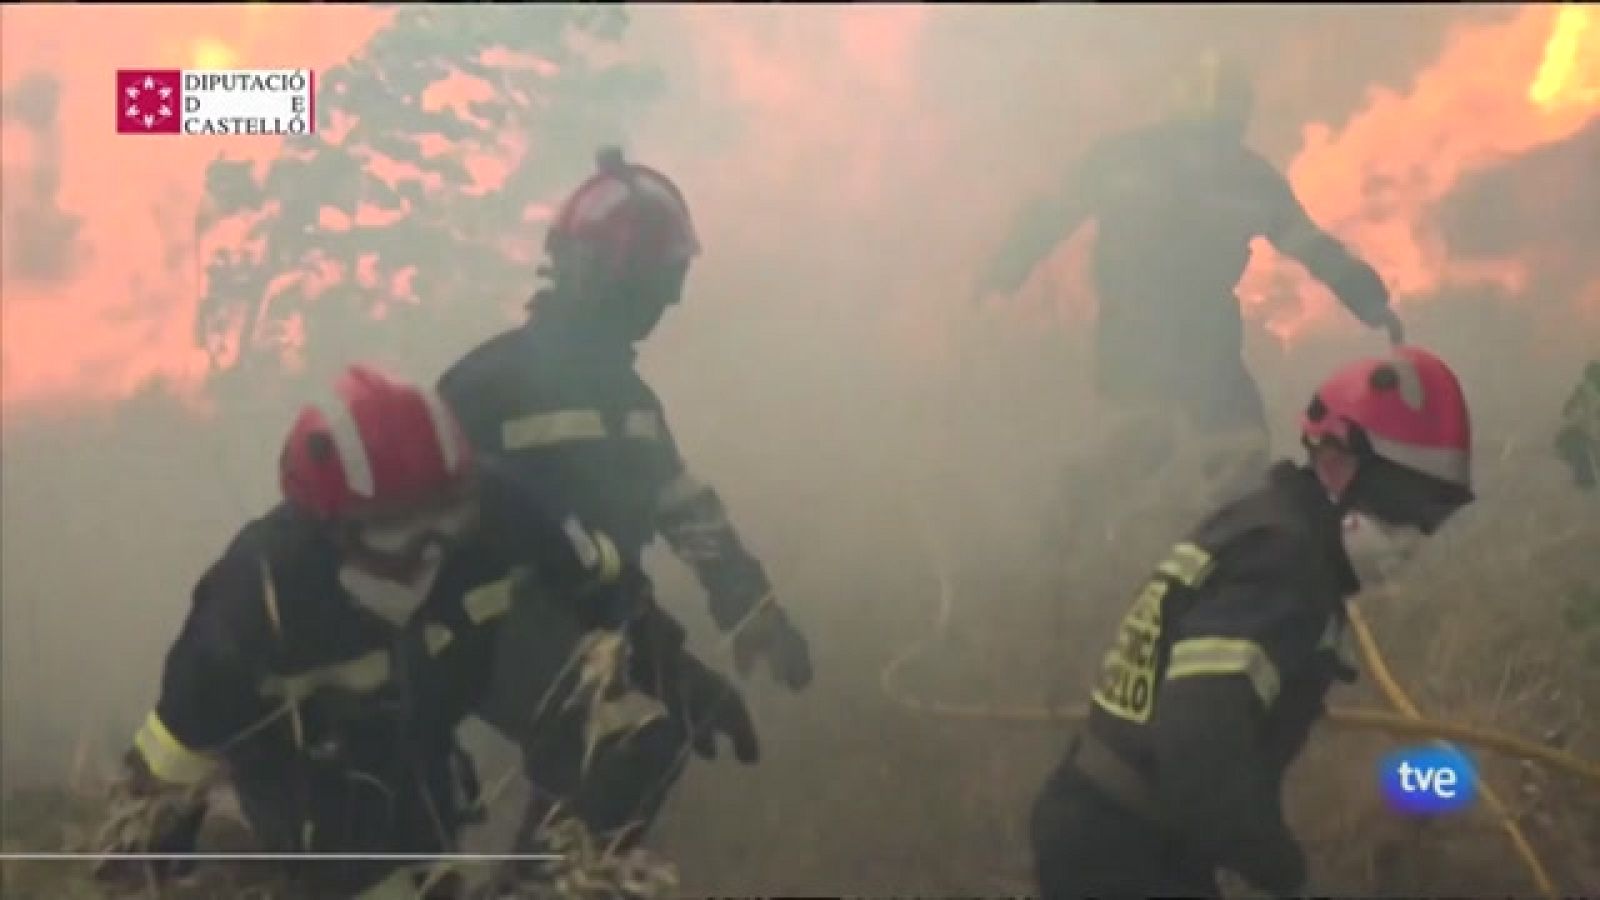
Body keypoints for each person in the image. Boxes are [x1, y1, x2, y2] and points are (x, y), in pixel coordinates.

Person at [95, 364, 759, 899]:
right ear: (332, 527)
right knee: (382, 876)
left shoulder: (503, 510)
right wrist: (145, 848)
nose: (434, 551)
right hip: (320, 772)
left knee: (630, 738)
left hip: (430, 719)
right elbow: (172, 753)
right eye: (402, 530)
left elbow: (603, 590)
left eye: (450, 518)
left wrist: (681, 677)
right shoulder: (258, 601)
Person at [437, 147, 812, 854]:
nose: (661, 308)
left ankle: (553, 879)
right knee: (621, 740)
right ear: (597, 277)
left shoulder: (630, 403)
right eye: (649, 288)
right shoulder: (487, 385)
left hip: (598, 620)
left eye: (667, 288)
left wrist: (750, 608)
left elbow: (686, 513)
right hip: (489, 625)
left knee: (643, 751)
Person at [1029, 344, 1474, 898]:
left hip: (1119, 832)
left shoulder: (1266, 528)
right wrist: (1280, 869)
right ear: (1336, 465)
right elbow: (1201, 729)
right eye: (1402, 503)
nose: (1413, 535)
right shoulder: (1284, 563)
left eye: (1432, 514)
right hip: (1122, 850)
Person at [976, 51, 1404, 490]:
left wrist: (1001, 277)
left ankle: (1143, 533)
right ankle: (1113, 526)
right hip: (1166, 333)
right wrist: (1369, 299)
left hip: (1171, 334)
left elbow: (1049, 216)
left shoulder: (1127, 158)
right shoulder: (1239, 176)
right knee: (1193, 445)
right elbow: (1311, 247)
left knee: (1218, 448)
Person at [1556, 359, 1599, 489]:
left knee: (1580, 449)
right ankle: (1586, 481)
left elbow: (1568, 407)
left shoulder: (1583, 388)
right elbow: (1568, 407)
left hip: (1587, 429)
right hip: (1588, 428)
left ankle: (1585, 481)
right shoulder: (1584, 388)